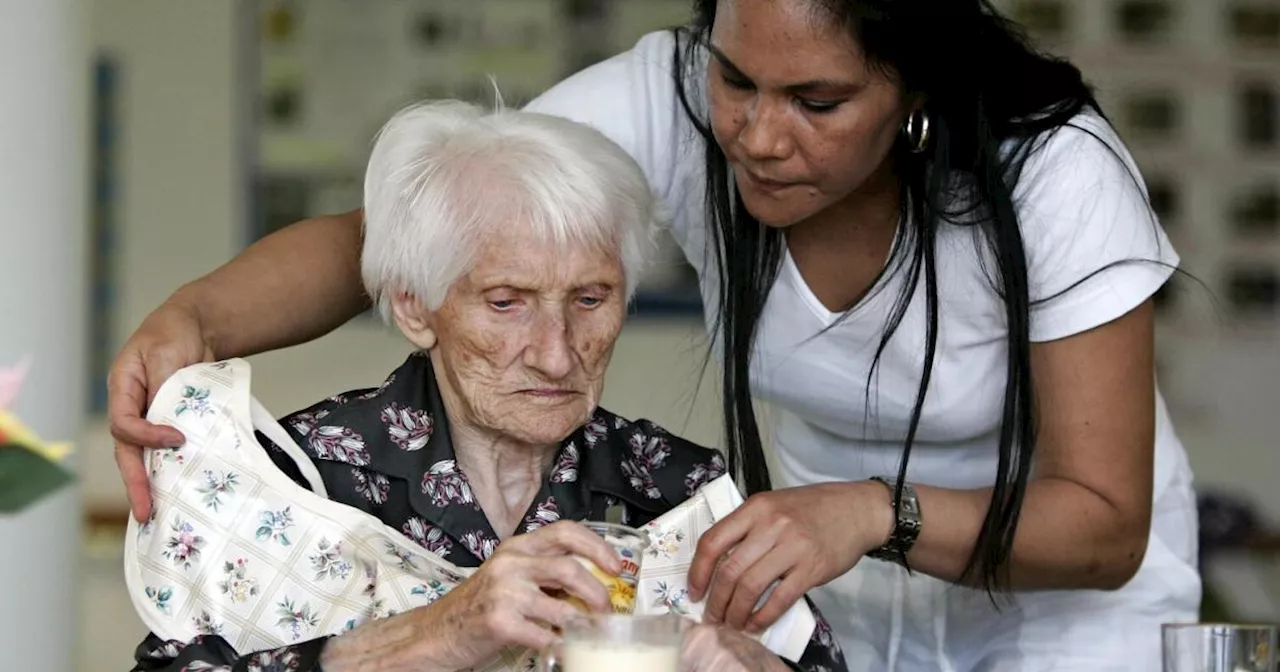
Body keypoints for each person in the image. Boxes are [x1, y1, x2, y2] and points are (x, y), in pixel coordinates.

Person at [111, 0, 1200, 668]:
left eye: (815, 101)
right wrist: (190, 320)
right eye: (736, 81)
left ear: (907, 93)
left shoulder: (1050, 174)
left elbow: (1101, 530)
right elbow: (403, 229)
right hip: (820, 559)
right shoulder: (671, 99)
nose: (758, 136)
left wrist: (868, 512)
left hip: (1049, 583)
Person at [129, 101, 846, 672]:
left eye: (591, 300)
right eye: (507, 303)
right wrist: (429, 637)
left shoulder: (678, 491)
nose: (559, 357)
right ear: (414, 307)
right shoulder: (301, 477)